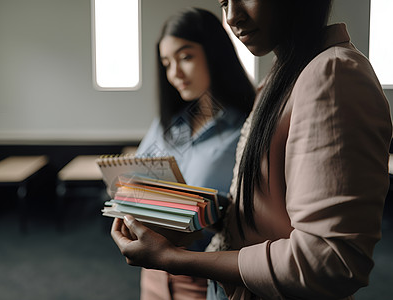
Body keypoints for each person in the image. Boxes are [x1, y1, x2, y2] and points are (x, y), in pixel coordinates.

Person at [111, 1, 393, 299]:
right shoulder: (279, 80)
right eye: (224, 2)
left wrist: (173, 259)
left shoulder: (332, 74)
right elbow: (267, 214)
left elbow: (331, 262)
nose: (232, 16)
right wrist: (206, 210)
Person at [133, 7, 255, 300]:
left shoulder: (246, 127)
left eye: (185, 57)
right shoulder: (169, 124)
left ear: (214, 54)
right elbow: (133, 180)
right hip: (152, 276)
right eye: (166, 63)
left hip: (205, 279)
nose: (174, 73)